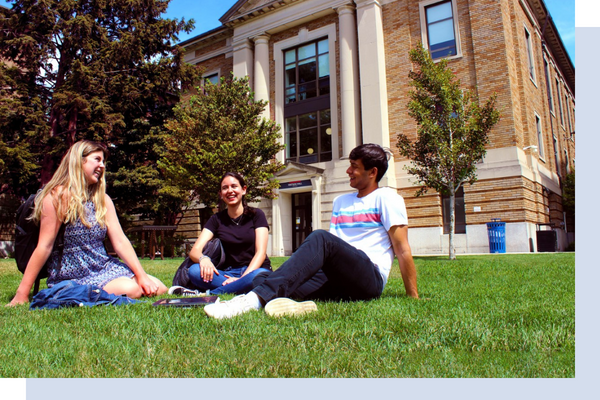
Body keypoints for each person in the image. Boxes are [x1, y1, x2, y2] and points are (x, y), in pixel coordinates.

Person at [204, 143, 419, 319]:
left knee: (320, 238)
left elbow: (402, 250)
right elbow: (332, 251)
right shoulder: (341, 201)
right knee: (265, 279)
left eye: (354, 166)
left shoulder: (388, 199)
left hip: (368, 278)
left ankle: (250, 302)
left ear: (372, 172)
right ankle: (291, 306)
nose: (348, 171)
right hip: (337, 277)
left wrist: (413, 296)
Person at [8, 140, 167, 306]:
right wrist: (22, 294)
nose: (102, 166)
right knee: (133, 289)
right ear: (79, 161)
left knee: (158, 287)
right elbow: (44, 246)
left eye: (103, 161)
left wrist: (141, 275)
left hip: (103, 268)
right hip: (73, 275)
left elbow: (120, 241)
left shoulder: (103, 200)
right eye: (97, 159)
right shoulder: (57, 197)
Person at [185, 172, 272, 295]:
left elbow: (261, 253)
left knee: (258, 276)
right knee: (194, 271)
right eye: (225, 188)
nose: (230, 191)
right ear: (221, 194)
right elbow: (195, 251)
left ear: (243, 190)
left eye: (234, 186)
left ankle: (212, 293)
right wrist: (204, 259)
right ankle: (239, 288)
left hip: (254, 270)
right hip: (228, 273)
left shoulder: (257, 215)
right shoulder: (216, 219)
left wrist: (242, 278)